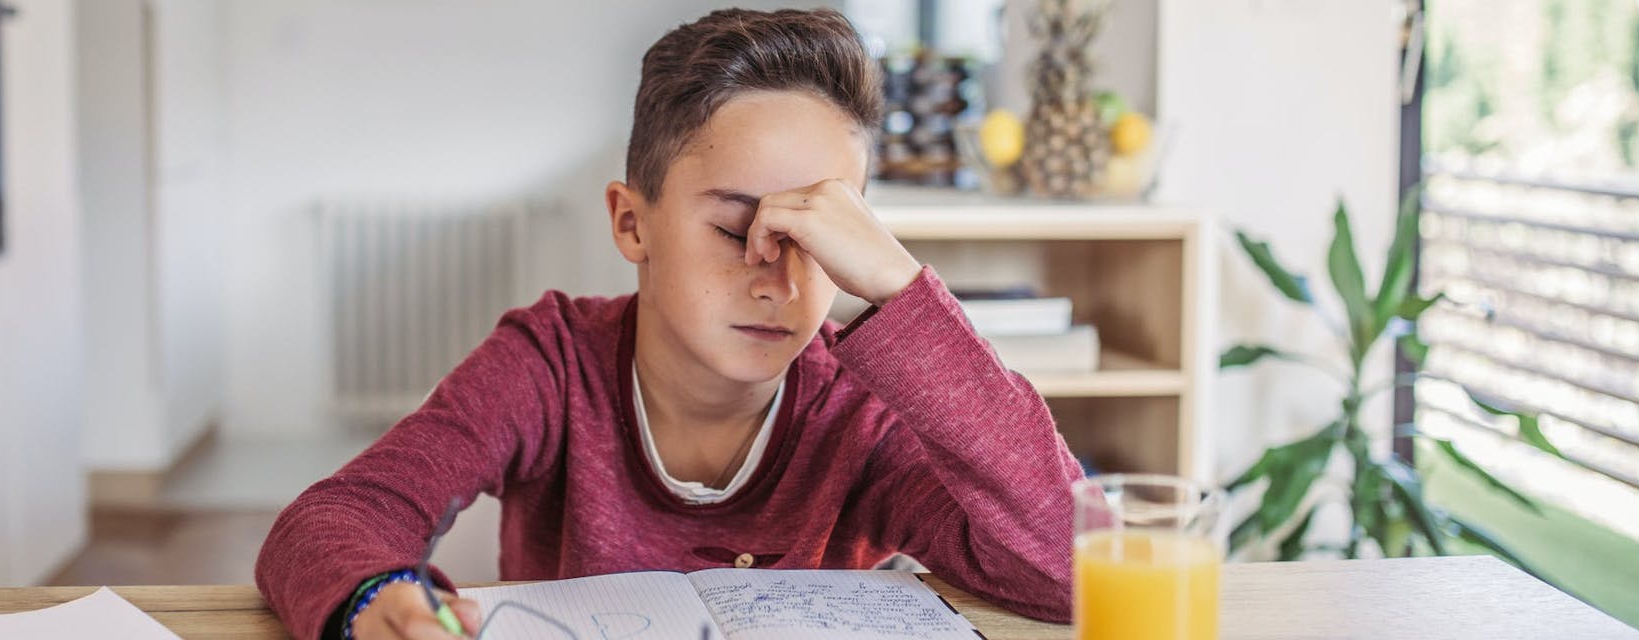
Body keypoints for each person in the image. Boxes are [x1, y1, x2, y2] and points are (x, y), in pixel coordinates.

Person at [255, 8, 1085, 639]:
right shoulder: (549, 366)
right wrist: (372, 598)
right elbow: (331, 520)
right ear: (632, 225)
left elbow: (1076, 571)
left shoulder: (860, 410)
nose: (781, 282)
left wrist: (904, 293)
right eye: (737, 231)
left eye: (823, 240)